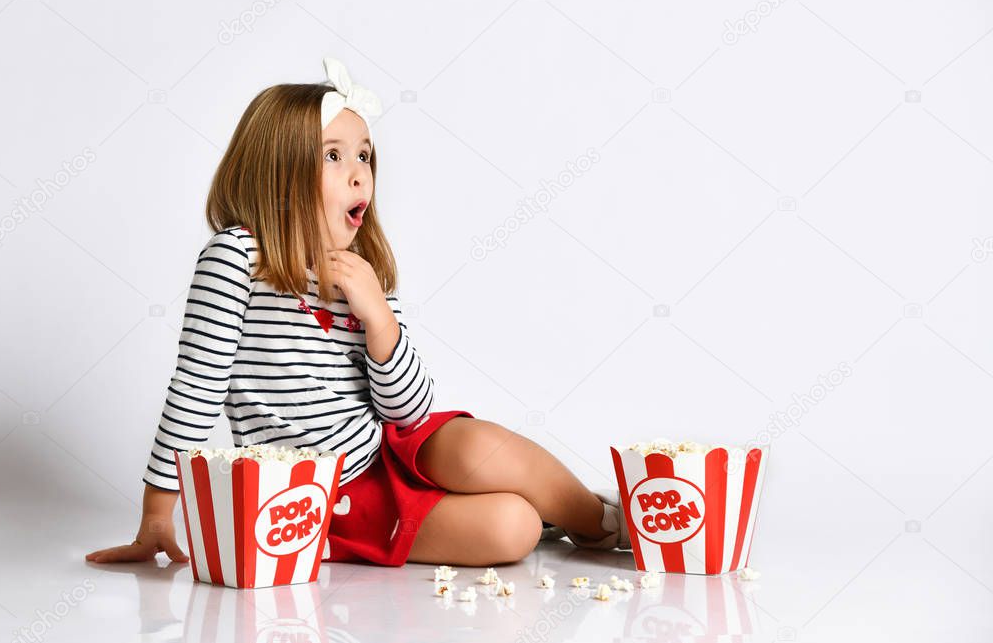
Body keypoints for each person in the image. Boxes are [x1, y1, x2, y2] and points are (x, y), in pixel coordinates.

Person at [85, 57, 629, 569]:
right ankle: (547, 518)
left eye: (365, 155)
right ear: (278, 172)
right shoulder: (235, 257)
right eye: (333, 155)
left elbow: (408, 416)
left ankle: (603, 522)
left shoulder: (360, 270)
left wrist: (381, 323)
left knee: (478, 443)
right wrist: (158, 512)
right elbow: (196, 385)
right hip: (324, 492)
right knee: (513, 527)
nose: (358, 174)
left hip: (386, 449)